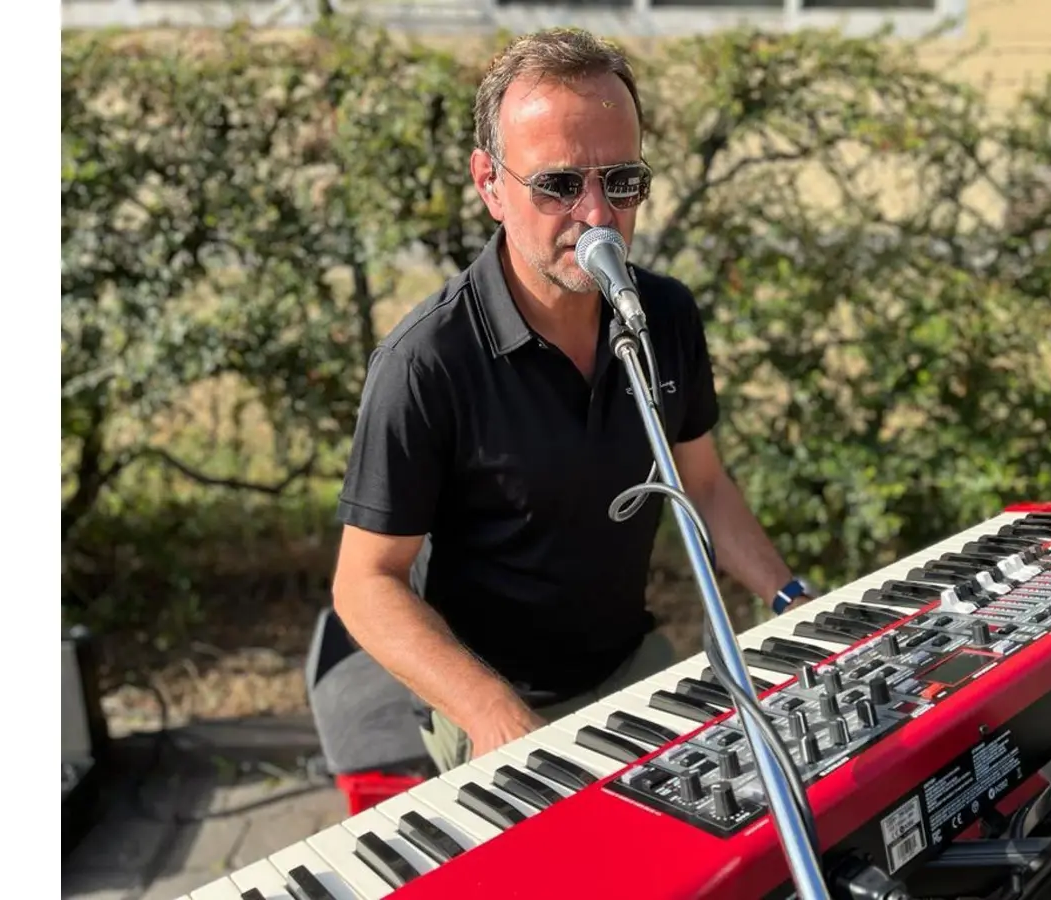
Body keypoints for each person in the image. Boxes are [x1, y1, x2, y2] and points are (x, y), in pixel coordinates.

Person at [330, 27, 814, 775]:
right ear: (490, 183)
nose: (597, 215)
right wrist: (492, 712)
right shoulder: (426, 361)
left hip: (632, 664)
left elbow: (704, 486)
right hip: (493, 701)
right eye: (559, 185)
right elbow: (364, 585)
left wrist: (794, 601)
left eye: (622, 182)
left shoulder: (663, 314)